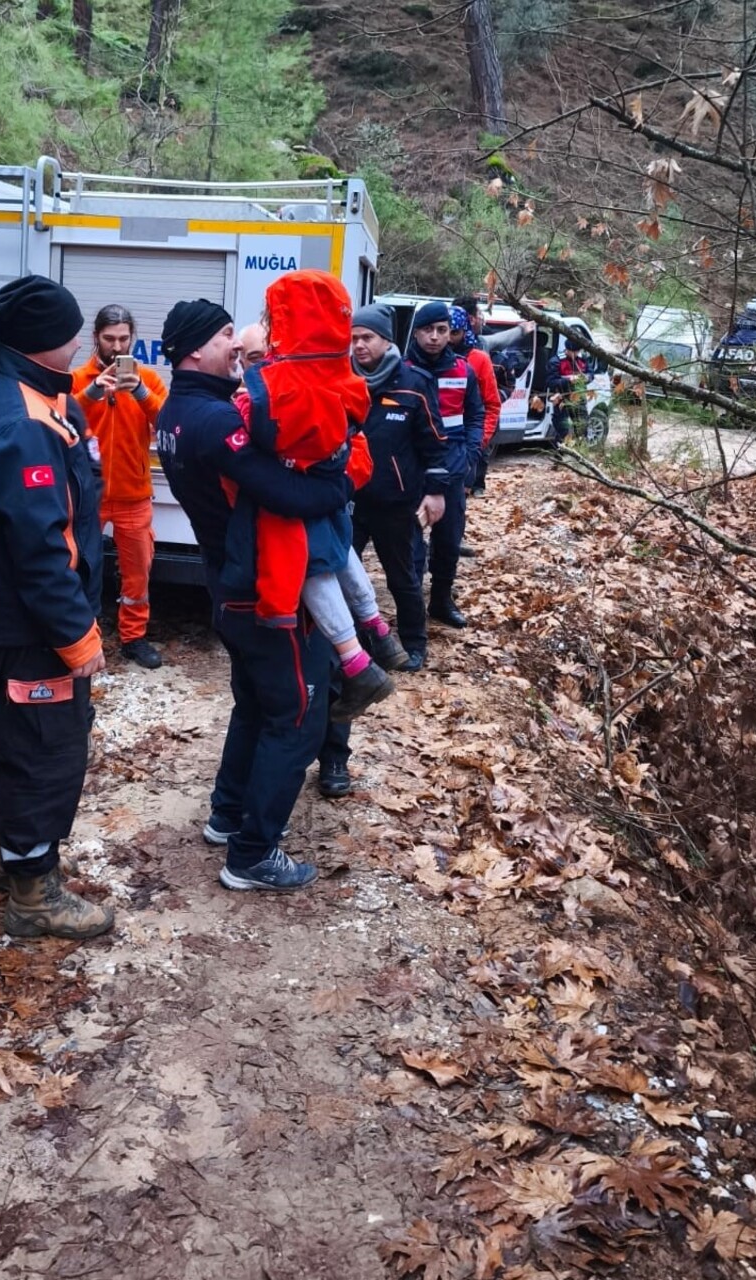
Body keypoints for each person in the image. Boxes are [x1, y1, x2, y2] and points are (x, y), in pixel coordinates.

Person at [156, 299, 353, 891]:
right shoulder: (217, 421)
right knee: (296, 717)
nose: (235, 348)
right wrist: (341, 482)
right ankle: (253, 853)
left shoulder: (178, 411)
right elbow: (288, 495)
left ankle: (226, 814)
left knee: (256, 703)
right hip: (263, 590)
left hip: (227, 583)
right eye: (224, 337)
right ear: (195, 350)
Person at [0, 274, 113, 940]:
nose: (80, 340)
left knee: (7, 734)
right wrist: (77, 636)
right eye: (73, 328)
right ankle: (33, 891)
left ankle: (1, 856)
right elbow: (41, 549)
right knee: (48, 751)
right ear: (52, 339)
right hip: (29, 627)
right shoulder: (23, 422)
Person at [223, 270, 406, 721]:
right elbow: (351, 435)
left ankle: (357, 662)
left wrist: (243, 401)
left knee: (310, 570)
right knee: (339, 553)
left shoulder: (281, 385)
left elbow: (265, 430)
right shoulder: (341, 374)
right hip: (331, 497)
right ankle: (379, 631)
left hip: (297, 505)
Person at [349, 304, 450, 671]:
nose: (359, 345)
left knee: (402, 576)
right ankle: (356, 644)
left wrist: (436, 491)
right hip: (349, 499)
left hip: (397, 502)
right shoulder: (343, 380)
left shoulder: (413, 384)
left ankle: (413, 642)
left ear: (386, 340)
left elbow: (436, 441)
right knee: (344, 573)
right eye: (354, 338)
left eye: (367, 338)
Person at [71, 304, 168, 670]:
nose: (116, 346)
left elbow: (169, 421)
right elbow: (60, 417)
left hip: (134, 495)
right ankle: (83, 636)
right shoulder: (79, 379)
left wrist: (140, 391)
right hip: (87, 497)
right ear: (96, 338)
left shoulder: (148, 379)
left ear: (133, 338)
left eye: (123, 338)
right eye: (109, 338)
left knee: (138, 571)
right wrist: (94, 392)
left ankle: (134, 638)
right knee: (80, 567)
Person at [405, 301, 481, 630]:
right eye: (428, 331)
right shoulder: (402, 369)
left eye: (442, 330)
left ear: (450, 333)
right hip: (413, 470)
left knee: (449, 541)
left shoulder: (464, 370)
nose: (435, 337)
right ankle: (410, 607)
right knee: (409, 543)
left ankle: (440, 601)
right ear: (417, 332)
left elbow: (476, 414)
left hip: (452, 468)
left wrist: (471, 453)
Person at [449, 303, 502, 498]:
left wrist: (479, 442)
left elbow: (492, 403)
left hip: (465, 443)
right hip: (435, 446)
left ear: (464, 331)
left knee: (456, 505)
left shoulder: (479, 359)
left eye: (453, 332)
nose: (446, 338)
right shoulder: (430, 358)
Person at [548, 335, 589, 446]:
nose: (576, 355)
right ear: (568, 350)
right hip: (562, 398)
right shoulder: (556, 361)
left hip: (579, 398)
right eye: (574, 352)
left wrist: (587, 378)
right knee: (562, 429)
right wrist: (568, 380)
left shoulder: (582, 360)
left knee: (582, 427)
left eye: (578, 352)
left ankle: (579, 452)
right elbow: (551, 382)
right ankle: (560, 452)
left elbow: (590, 374)